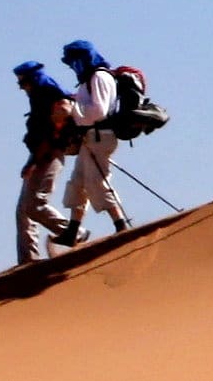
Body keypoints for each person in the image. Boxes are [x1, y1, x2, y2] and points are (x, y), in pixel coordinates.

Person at [54, 40, 133, 240]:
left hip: (101, 135)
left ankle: (121, 224)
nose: (72, 66)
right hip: (90, 137)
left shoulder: (99, 77)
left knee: (96, 182)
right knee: (78, 182)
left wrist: (73, 111)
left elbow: (99, 111)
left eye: (73, 61)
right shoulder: (87, 79)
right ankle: (73, 230)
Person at [12, 62, 82, 264]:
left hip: (49, 153)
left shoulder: (49, 97)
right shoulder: (40, 97)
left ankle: (75, 233)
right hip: (40, 153)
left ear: (32, 79)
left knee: (34, 204)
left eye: (23, 82)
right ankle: (28, 261)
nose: (21, 87)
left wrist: (34, 161)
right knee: (23, 209)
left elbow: (50, 133)